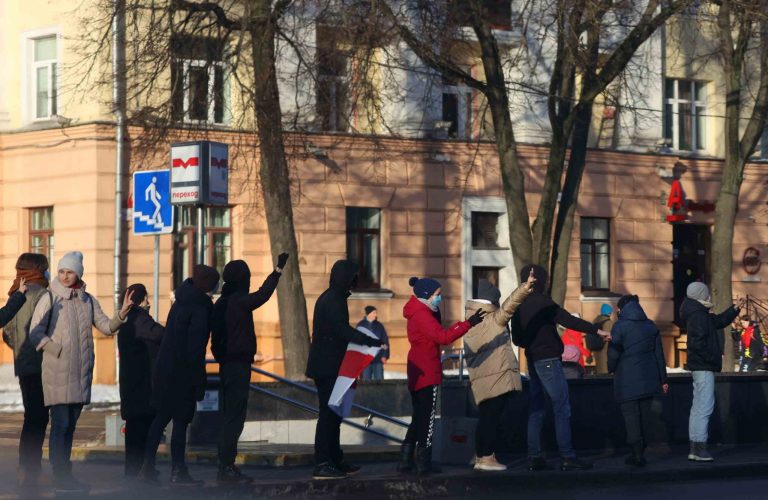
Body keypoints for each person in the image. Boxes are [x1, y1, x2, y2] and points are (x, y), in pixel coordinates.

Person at [29, 251, 131, 493]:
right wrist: (57, 350)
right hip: (57, 373)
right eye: (62, 271)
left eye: (70, 272)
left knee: (70, 427)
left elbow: (106, 327)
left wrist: (122, 313)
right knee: (61, 425)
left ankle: (65, 474)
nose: (65, 276)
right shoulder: (50, 298)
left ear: (78, 274)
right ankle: (61, 474)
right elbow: (35, 332)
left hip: (80, 374)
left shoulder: (88, 300)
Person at [511, 264, 610, 472]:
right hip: (548, 359)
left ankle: (534, 457)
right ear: (541, 281)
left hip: (532, 360)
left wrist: (532, 341)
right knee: (561, 407)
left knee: (536, 409)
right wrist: (596, 330)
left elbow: (517, 338)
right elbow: (569, 321)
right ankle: (567, 456)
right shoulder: (543, 302)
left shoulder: (518, 304)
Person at [140, 264, 220, 486]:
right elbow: (195, 348)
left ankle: (146, 467)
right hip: (183, 373)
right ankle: (178, 471)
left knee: (160, 419)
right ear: (208, 285)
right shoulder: (200, 308)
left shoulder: (180, 301)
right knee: (180, 422)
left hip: (165, 369)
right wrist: (199, 380)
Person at [212, 254, 287, 483]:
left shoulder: (222, 302)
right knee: (235, 416)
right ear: (241, 280)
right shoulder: (238, 301)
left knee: (228, 415)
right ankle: (227, 466)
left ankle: (225, 464)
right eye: (247, 278)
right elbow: (263, 295)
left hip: (227, 364)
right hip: (237, 364)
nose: (249, 282)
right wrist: (277, 271)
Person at [400, 276, 485, 476]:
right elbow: (443, 337)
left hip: (418, 369)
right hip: (427, 370)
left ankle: (405, 460)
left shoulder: (420, 310)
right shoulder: (422, 315)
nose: (440, 298)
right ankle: (423, 462)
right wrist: (468, 324)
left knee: (418, 417)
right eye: (437, 295)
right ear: (426, 296)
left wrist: (435, 309)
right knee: (427, 419)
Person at [305, 260, 382, 480]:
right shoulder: (334, 299)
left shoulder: (331, 296)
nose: (356, 280)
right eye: (354, 275)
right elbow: (341, 330)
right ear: (346, 277)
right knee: (329, 415)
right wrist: (368, 340)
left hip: (329, 365)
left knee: (334, 415)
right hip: (328, 366)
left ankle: (334, 459)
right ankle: (322, 462)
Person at [464, 276, 534, 472]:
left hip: (481, 379)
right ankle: (487, 457)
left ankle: (480, 456)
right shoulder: (493, 318)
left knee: (485, 417)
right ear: (492, 301)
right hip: (496, 377)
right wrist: (525, 288)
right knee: (492, 419)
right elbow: (510, 306)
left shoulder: (471, 321)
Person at [680, 281, 742, 462]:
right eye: (706, 293)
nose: (709, 296)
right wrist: (711, 359)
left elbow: (719, 321)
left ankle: (695, 447)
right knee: (704, 408)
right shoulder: (699, 315)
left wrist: (735, 308)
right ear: (701, 294)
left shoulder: (697, 313)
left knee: (698, 407)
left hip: (700, 366)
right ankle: (699, 449)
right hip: (703, 366)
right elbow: (698, 343)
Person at [2, 253, 49, 488]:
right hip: (41, 365)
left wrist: (20, 349)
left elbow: (6, 332)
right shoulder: (42, 294)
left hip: (23, 364)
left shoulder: (15, 294)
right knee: (38, 419)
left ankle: (26, 470)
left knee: (31, 417)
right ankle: (31, 470)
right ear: (39, 269)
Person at [607, 294, 668, 467]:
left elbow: (613, 353)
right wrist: (663, 379)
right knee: (644, 416)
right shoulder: (651, 326)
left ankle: (636, 454)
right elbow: (659, 356)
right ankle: (642, 450)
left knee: (631, 416)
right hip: (649, 379)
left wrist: (611, 368)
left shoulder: (619, 327)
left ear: (622, 309)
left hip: (627, 380)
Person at [117, 284, 164, 478]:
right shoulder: (138, 318)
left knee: (137, 430)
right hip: (141, 386)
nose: (149, 302)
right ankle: (139, 473)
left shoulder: (129, 318)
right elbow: (159, 333)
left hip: (134, 384)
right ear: (140, 300)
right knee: (141, 431)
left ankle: (138, 472)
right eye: (146, 298)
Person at [356, 306, 389, 381]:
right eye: (374, 312)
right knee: (365, 381)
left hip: (378, 359)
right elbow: (356, 342)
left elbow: (385, 340)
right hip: (365, 359)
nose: (376, 315)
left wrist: (384, 355)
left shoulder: (379, 326)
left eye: (376, 313)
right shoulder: (361, 325)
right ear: (369, 313)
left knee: (379, 381)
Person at [591, 304, 614, 373]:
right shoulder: (608, 322)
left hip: (597, 348)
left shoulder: (595, 321)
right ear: (609, 312)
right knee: (605, 371)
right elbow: (610, 336)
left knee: (599, 370)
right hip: (605, 350)